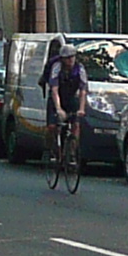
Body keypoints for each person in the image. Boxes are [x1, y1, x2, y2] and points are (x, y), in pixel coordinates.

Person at [47, 45, 90, 190]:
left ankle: (72, 151)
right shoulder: (56, 68)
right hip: (57, 98)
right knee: (53, 126)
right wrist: (58, 108)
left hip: (71, 98)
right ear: (63, 59)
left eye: (72, 57)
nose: (70, 60)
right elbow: (54, 90)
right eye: (67, 58)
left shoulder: (80, 69)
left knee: (76, 124)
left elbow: (83, 91)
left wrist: (82, 109)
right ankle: (53, 149)